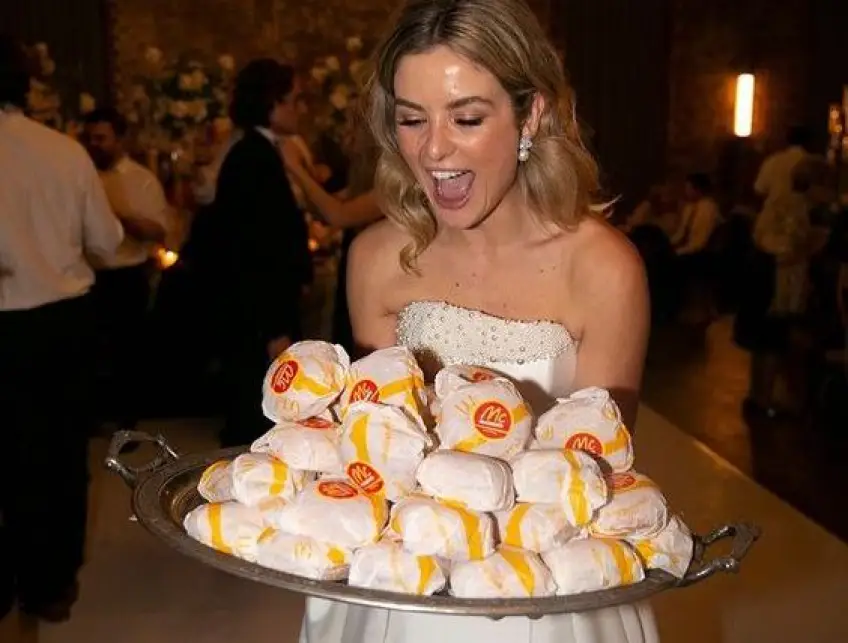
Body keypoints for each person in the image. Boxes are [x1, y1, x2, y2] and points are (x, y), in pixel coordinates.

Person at [299, 1, 655, 642]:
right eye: (411, 119)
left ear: (531, 114)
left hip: (540, 596)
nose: (434, 148)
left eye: (466, 118)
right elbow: (374, 450)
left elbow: (597, 476)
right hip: (403, 586)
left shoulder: (603, 268)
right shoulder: (377, 258)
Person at [0, 35, 123, 622]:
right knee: (58, 453)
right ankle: (51, 584)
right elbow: (106, 240)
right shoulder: (62, 151)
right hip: (59, 323)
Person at [207, 58, 313, 448]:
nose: (301, 109)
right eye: (295, 100)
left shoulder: (259, 151)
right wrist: (275, 326)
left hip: (259, 307)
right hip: (258, 312)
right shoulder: (254, 157)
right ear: (272, 102)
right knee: (258, 417)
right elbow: (257, 248)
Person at [83, 106, 169, 431]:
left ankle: (127, 424)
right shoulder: (81, 175)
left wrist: (115, 215)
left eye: (101, 138)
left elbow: (158, 230)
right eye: (90, 139)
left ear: (119, 140)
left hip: (127, 275)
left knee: (127, 354)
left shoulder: (141, 180)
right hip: (89, 275)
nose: (94, 145)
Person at [281, 107, 383, 354]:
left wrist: (296, 168)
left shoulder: (391, 185)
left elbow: (339, 214)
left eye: (354, 129)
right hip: (354, 269)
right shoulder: (362, 180)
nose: (346, 137)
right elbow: (324, 208)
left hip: (375, 276)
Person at [754, 125, 814, 209]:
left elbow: (760, 189)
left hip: (774, 214)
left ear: (786, 140)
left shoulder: (773, 161)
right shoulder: (813, 164)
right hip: (801, 214)